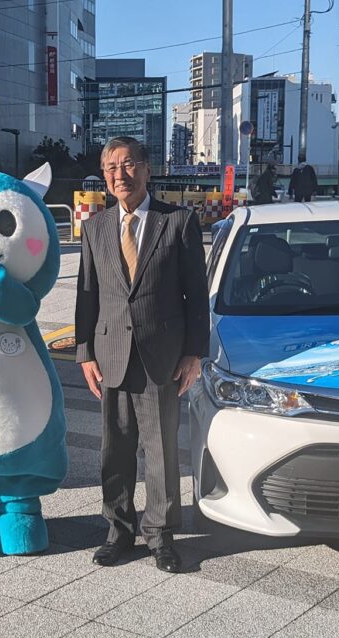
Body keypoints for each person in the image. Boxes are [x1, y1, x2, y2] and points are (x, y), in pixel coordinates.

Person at [74, 136, 209, 574]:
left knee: (161, 449)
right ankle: (118, 530)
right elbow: (87, 296)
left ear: (147, 169)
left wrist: (194, 354)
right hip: (111, 352)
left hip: (161, 355)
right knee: (114, 450)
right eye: (111, 167)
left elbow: (196, 296)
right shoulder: (95, 228)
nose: (120, 174)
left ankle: (161, 535)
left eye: (129, 164)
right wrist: (85, 354)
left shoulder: (178, 221)